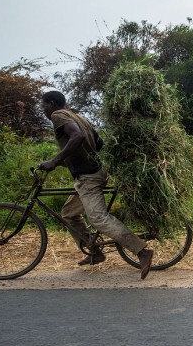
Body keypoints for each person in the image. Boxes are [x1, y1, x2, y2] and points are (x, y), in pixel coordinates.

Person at [39, 90, 154, 280]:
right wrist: (60, 162)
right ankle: (95, 252)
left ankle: (142, 251)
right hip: (90, 174)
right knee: (69, 214)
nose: (43, 111)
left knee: (98, 218)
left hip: (88, 177)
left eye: (43, 106)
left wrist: (55, 160)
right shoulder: (78, 116)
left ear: (51, 104)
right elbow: (98, 144)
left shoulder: (58, 116)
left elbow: (77, 137)